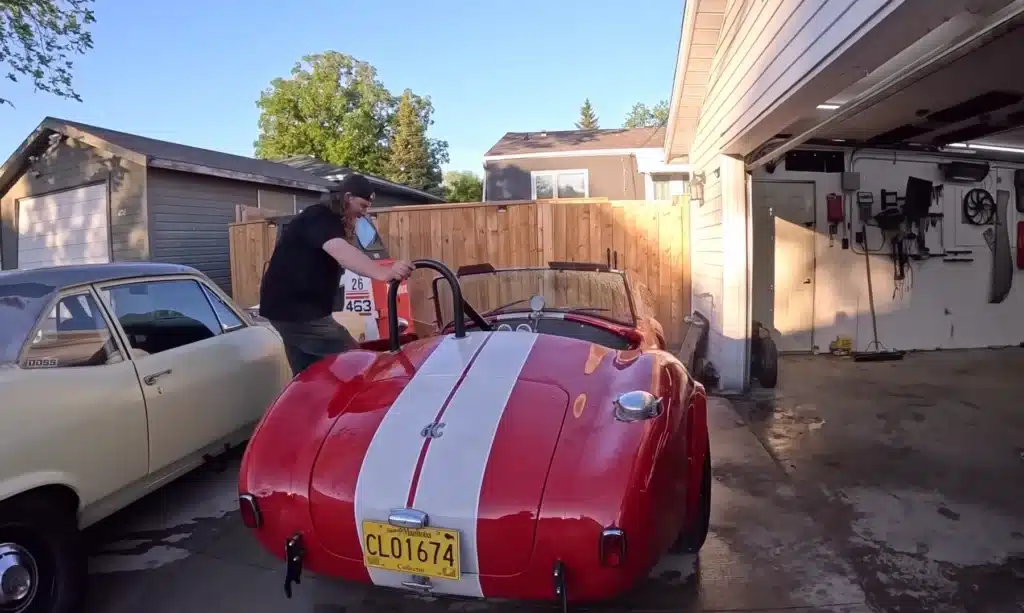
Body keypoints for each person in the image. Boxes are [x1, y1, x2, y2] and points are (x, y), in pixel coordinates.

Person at [258, 173, 414, 375]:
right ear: (347, 198)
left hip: (287, 309)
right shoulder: (320, 217)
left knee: (309, 372)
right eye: (363, 206)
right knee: (355, 364)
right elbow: (342, 252)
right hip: (297, 311)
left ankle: (311, 402)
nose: (364, 213)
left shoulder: (328, 221)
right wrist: (384, 273)